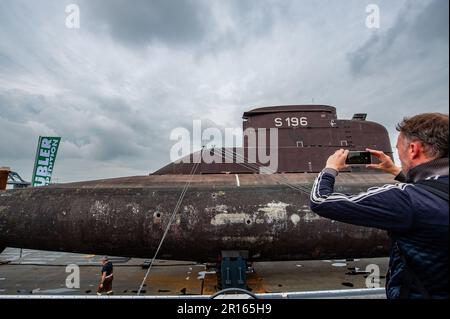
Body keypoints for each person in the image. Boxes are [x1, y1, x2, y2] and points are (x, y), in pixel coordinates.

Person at [310, 113, 448, 299]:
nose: (398, 153)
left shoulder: (403, 199)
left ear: (413, 149)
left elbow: (320, 201)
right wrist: (395, 171)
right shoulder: (422, 195)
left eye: (398, 148)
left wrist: (330, 168)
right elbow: (433, 188)